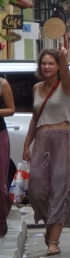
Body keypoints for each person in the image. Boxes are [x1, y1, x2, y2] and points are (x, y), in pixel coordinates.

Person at [26, 49, 70, 257]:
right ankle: (51, 225)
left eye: (51, 63)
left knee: (60, 188)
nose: (46, 67)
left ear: (57, 66)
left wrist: (63, 58)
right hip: (41, 139)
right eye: (43, 63)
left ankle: (53, 240)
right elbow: (35, 117)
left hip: (63, 139)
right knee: (37, 190)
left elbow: (66, 74)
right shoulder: (37, 87)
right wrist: (26, 145)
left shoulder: (67, 86)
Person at [0, 74, 14, 236]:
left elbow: (11, 109)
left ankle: (1, 222)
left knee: (0, 181)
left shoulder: (2, 83)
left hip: (0, 134)